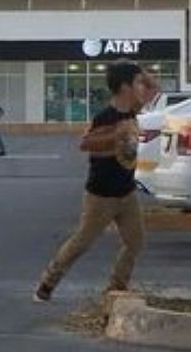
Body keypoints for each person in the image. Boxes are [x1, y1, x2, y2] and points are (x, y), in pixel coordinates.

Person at [34, 61, 159, 301]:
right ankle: (48, 283)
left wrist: (138, 71)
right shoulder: (105, 117)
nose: (141, 86)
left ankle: (116, 288)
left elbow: (154, 89)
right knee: (82, 242)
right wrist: (115, 136)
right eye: (136, 83)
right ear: (125, 87)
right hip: (101, 195)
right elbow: (86, 143)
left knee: (135, 241)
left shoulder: (133, 109)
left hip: (126, 192)